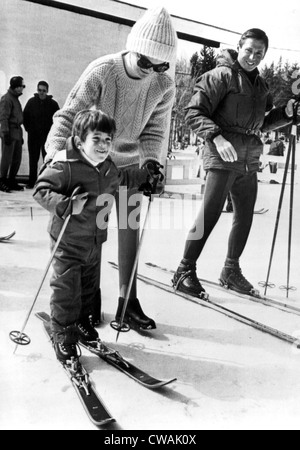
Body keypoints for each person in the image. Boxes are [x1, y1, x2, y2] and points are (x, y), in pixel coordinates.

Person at [45, 7, 177, 329]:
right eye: (143, 61)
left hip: (129, 169)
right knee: (93, 236)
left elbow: (155, 132)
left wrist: (151, 165)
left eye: (159, 65)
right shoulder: (102, 71)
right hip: (95, 169)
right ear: (132, 47)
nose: (150, 71)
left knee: (129, 233)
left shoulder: (163, 85)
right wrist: (56, 158)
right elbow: (67, 117)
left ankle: (127, 301)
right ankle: (90, 299)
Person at [173, 28, 300, 297]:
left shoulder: (261, 86)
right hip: (222, 155)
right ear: (239, 47)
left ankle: (230, 270)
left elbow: (261, 123)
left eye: (259, 53)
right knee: (210, 213)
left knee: (244, 216)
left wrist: (286, 113)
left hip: (248, 158)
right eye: (249, 50)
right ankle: (184, 269)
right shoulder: (220, 76)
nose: (253, 56)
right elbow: (193, 112)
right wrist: (217, 138)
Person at [33, 109, 148, 362]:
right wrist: (65, 205)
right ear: (80, 139)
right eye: (96, 139)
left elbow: (122, 179)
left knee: (87, 289)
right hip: (68, 242)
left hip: (95, 241)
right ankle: (63, 334)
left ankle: (83, 323)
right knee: (66, 289)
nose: (103, 145)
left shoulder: (107, 166)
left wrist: (146, 176)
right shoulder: (65, 164)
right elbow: (41, 190)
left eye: (108, 140)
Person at [23, 81, 60, 188]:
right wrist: (29, 130)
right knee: (33, 160)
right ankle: (31, 182)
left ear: (47, 91)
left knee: (47, 160)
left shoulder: (53, 104)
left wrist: (52, 134)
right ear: (37, 90)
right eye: (39, 90)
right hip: (33, 137)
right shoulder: (31, 102)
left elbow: (58, 120)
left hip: (47, 138)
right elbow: (25, 117)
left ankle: (46, 183)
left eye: (44, 91)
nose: (41, 93)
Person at [0, 76, 25, 192]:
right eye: (21, 86)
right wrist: (5, 134)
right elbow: (3, 118)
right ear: (16, 87)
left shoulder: (15, 98)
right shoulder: (6, 99)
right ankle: (2, 180)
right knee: (6, 159)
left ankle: (11, 180)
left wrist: (21, 136)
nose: (22, 89)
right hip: (9, 131)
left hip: (17, 132)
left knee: (16, 158)